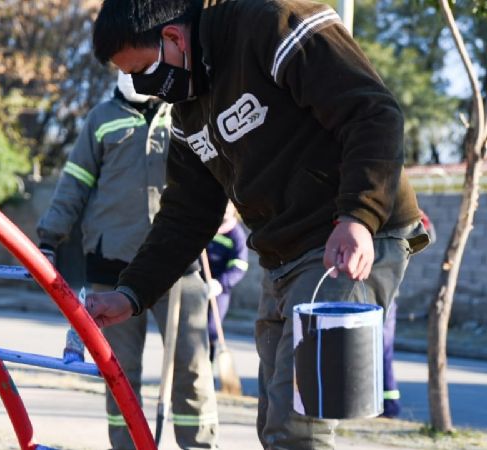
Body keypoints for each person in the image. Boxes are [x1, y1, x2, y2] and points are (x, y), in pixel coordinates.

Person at [85, 1, 431, 448]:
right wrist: (131, 292)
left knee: (298, 428)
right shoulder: (188, 108)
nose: (143, 88)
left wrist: (358, 215)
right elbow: (185, 214)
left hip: (345, 241)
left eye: (144, 72)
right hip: (282, 255)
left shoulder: (271, 21)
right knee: (273, 422)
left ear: (173, 37)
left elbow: (372, 113)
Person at [36, 71, 218, 450]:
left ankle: (200, 445)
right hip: (112, 265)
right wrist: (49, 238)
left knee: (193, 369)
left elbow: (217, 171)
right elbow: (74, 182)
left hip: (176, 265)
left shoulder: (185, 111)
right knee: (119, 373)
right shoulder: (102, 118)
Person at [381, 209, 436, 418]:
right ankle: (382, 404)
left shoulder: (396, 201)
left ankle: (388, 405)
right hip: (376, 284)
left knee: (380, 347)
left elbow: (428, 232)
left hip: (384, 287)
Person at [204, 201, 248, 361]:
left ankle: (208, 368)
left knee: (211, 329)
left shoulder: (236, 235)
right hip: (200, 285)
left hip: (219, 289)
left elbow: (239, 266)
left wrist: (220, 283)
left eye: (228, 208)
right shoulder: (207, 226)